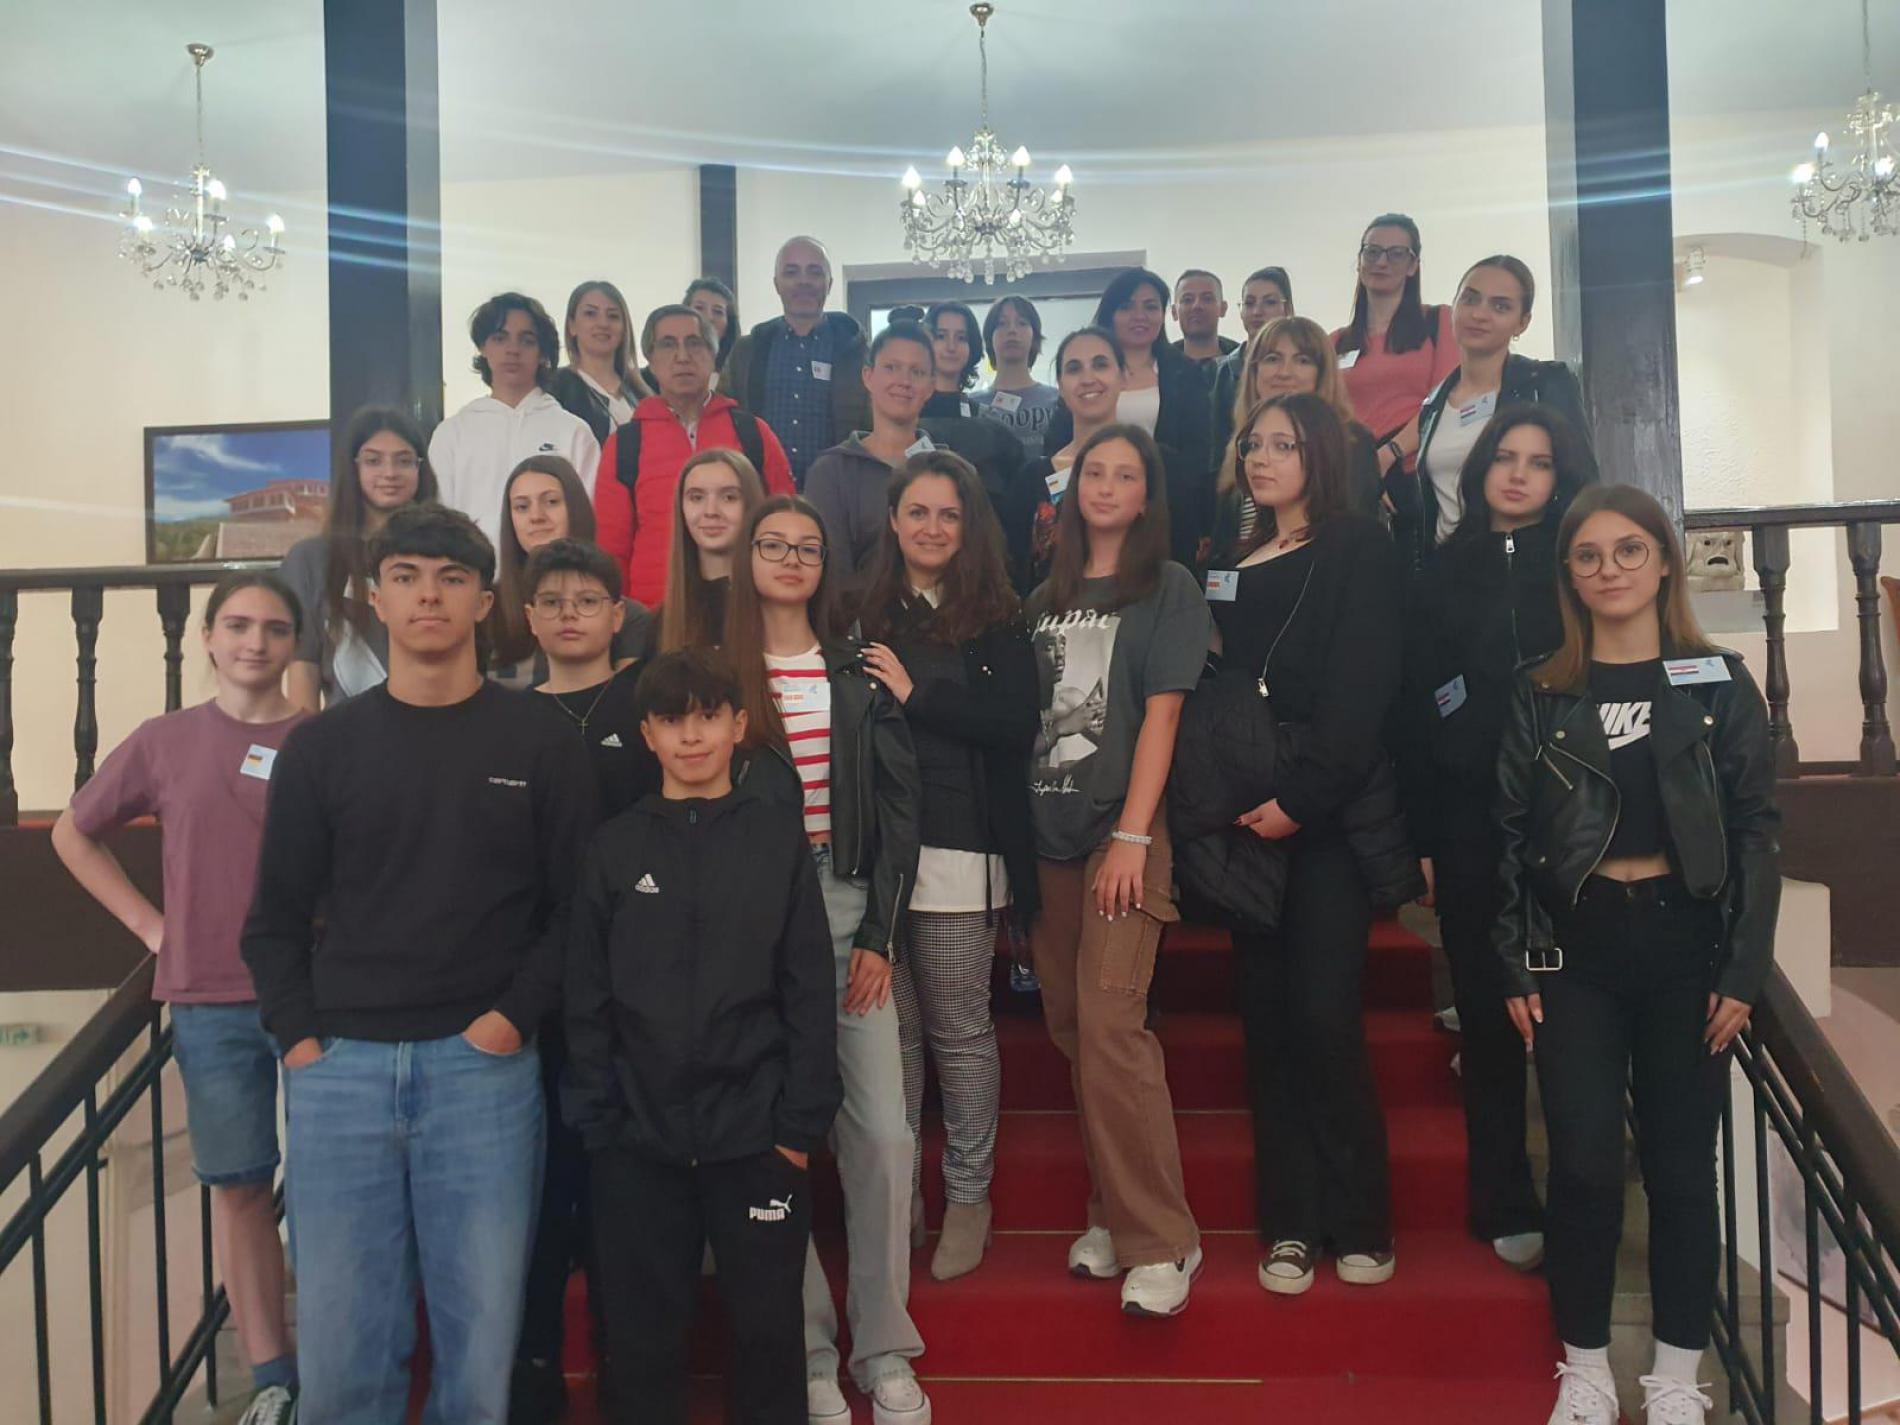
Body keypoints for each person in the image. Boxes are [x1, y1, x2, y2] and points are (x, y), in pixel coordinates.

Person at [242, 503, 597, 1425]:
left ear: (484, 600)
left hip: (484, 1073)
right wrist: (301, 1042)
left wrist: (508, 1022)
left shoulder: (540, 740)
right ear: (375, 598)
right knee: (341, 1365)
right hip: (340, 1074)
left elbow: (577, 911)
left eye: (450, 578)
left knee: (477, 1367)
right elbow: (273, 920)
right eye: (406, 577)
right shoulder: (322, 747)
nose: (428, 595)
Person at [1496, 484, 1780, 1425]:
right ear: (1569, 576)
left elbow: (1755, 828)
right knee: (1582, 1164)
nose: (1609, 568)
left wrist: (1743, 969)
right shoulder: (1541, 690)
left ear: (1663, 561)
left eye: (1628, 549)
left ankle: (1676, 1380)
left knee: (1681, 1170)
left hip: (1683, 946)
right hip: (1573, 951)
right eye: (1588, 554)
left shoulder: (1716, 681)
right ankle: (1583, 1368)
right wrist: (1512, 960)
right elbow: (1505, 838)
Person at [54, 573, 309, 1425]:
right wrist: (149, 925)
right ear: (207, 636)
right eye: (236, 624)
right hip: (207, 997)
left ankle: (345, 1360)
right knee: (240, 1185)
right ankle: (274, 1377)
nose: (254, 641)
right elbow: (74, 831)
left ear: (294, 643)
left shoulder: (323, 740)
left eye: (273, 627)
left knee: (337, 1190)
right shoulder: (165, 740)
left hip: (316, 996)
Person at [562, 645, 838, 1425]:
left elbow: (808, 987)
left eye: (709, 716)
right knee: (640, 1344)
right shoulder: (614, 847)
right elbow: (586, 998)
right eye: (673, 719)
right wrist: (603, 1124)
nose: (692, 735)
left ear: (739, 725)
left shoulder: (776, 838)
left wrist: (797, 1128)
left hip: (757, 1140)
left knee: (768, 1336)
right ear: (647, 733)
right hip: (637, 1146)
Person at [722, 496, 929, 1425]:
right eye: (773, 544)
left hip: (846, 905)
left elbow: (898, 809)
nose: (791, 558)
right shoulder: (718, 669)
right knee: (777, 1139)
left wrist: (881, 933)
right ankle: (807, 1351)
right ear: (747, 557)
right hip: (754, 914)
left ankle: (883, 1347)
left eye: (808, 546)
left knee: (882, 1132)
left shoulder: (856, 667)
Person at [1204, 392, 1408, 1300]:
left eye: (1283, 444)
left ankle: (1360, 1219)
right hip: (1245, 819)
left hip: (1323, 816)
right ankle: (1289, 1222)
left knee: (1325, 1017)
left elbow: (1363, 689)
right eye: (1255, 443)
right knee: (1269, 1026)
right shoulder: (1231, 558)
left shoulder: (1357, 545)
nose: (1262, 457)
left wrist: (1301, 799)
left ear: (1319, 454)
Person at [1398, 405, 1596, 1279]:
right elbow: (1416, 705)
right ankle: (1503, 1199)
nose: (1518, 474)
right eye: (1504, 457)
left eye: (1539, 462)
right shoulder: (1439, 571)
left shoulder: (1580, 564)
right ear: (1478, 469)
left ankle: (1583, 1207)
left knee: (1574, 1022)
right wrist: (1425, 834)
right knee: (1485, 1017)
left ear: (1561, 477)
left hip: (1576, 824)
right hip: (1471, 822)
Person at [1024, 423, 1211, 1318]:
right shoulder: (1043, 598)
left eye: (1124, 474)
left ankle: (1164, 1239)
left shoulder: (1167, 586)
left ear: (1145, 497)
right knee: (1072, 1029)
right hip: (1047, 834)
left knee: (1110, 1024)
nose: (1104, 485)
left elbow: (1163, 716)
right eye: (1092, 471)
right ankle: (1113, 1210)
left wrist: (1135, 834)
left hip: (1121, 835)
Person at [857, 451, 1039, 1282]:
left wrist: (917, 694)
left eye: (948, 514)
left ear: (969, 527)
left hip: (962, 846)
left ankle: (969, 1196)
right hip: (874, 853)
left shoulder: (996, 614)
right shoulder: (859, 610)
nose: (931, 527)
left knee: (958, 1030)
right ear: (893, 521)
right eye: (918, 511)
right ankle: (900, 1195)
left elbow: (1014, 723)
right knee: (890, 1035)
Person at [595, 304, 796, 608]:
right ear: (650, 358)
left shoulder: (753, 433)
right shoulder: (625, 444)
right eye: (668, 344)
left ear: (713, 354)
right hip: (654, 614)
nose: (682, 356)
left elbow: (784, 527)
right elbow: (611, 550)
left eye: (694, 343)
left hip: (744, 607)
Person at [1402, 256, 1592, 575]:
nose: (1479, 314)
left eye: (1500, 306)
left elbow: (1582, 485)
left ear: (1522, 323)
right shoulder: (1432, 406)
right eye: (1470, 299)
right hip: (1448, 575)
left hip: (1526, 571)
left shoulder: (1544, 384)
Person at [280, 406, 438, 711]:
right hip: (344, 731)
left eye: (404, 460)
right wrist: (306, 739)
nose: (390, 473)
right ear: (352, 468)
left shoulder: (446, 551)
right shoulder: (310, 559)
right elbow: (304, 667)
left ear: (421, 468)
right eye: (373, 460)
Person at [1025, 327, 1206, 587]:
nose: (1088, 378)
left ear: (1123, 377)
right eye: (1074, 369)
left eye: (1100, 365)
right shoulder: (1031, 478)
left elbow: (1183, 563)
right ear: (1060, 387)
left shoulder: (1164, 466)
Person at [431, 292, 601, 548]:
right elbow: (439, 518)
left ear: (542, 353)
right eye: (500, 338)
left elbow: (586, 518)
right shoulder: (453, 433)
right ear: (483, 347)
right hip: (473, 569)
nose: (513, 350)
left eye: (527, 340)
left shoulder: (573, 432)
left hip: (554, 568)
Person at [1212, 316, 1382, 556]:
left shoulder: (1351, 441)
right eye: (1272, 359)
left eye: (1302, 360)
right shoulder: (1241, 442)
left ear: (1322, 373)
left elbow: (1356, 538)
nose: (1285, 373)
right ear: (1254, 371)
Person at [1043, 268, 1216, 493]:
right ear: (1110, 313)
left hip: (1166, 491)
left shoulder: (1186, 373)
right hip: (1092, 489)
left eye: (1150, 307)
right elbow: (1059, 440)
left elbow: (1198, 451)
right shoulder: (1086, 373)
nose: (1139, 316)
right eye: (1127, 307)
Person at [485, 455, 651, 689]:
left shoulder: (629, 617)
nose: (536, 516)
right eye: (522, 507)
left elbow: (625, 702)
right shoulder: (483, 607)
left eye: (551, 502)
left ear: (576, 509)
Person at [725, 236, 872, 488]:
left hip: (838, 492)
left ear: (829, 283)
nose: (803, 281)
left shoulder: (858, 354)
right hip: (762, 493)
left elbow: (873, 426)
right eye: (791, 272)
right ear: (776, 284)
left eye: (814, 272)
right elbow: (727, 420)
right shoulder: (746, 352)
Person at [1330, 213, 1457, 493]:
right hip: (1351, 477)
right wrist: (1361, 469)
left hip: (1414, 474)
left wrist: (1390, 454)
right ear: (1359, 261)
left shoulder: (1440, 322)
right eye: (1372, 252)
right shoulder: (1335, 342)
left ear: (1413, 266)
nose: (1381, 262)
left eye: (1396, 254)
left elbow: (1446, 400)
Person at [655, 448, 768, 653]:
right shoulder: (660, 624)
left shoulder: (776, 608)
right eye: (697, 498)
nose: (710, 511)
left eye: (729, 497)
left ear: (750, 504)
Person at [549, 279, 652, 445]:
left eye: (613, 316)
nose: (603, 324)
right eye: (591, 314)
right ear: (571, 326)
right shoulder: (555, 388)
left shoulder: (641, 392)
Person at [1212, 267, 1294, 464]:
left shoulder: (1300, 368)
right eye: (1249, 303)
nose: (1257, 312)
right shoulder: (1223, 371)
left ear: (1287, 309)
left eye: (1269, 302)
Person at [970, 294, 1061, 460]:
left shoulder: (1058, 400)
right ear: (989, 338)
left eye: (1022, 323)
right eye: (1002, 324)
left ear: (1035, 336)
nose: (1012, 330)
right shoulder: (971, 405)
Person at [1167, 269, 1239, 368]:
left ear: (1223, 308)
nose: (1197, 306)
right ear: (1174, 312)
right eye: (1187, 300)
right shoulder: (1158, 365)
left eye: (1207, 299)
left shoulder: (1246, 363)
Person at [923, 300, 984, 404]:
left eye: (961, 338)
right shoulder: (905, 409)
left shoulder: (981, 412)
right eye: (941, 336)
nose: (951, 347)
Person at [685, 275, 740, 379]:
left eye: (718, 311)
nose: (709, 317)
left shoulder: (743, 369)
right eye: (699, 308)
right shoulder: (662, 368)